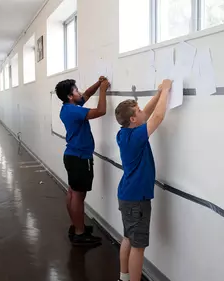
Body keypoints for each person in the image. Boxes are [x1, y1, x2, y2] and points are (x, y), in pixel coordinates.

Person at [114, 79, 172, 281]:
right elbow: (157, 116)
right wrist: (166, 90)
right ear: (132, 120)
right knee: (138, 248)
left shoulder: (124, 134)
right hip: (136, 200)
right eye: (137, 110)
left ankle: (124, 277)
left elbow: (146, 114)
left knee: (128, 239)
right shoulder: (136, 137)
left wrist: (157, 96)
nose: (141, 112)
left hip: (127, 196)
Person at [55, 76, 110, 246]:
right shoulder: (74, 111)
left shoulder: (68, 107)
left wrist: (98, 83)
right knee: (78, 195)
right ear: (71, 96)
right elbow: (101, 111)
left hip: (72, 156)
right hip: (80, 159)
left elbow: (86, 94)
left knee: (72, 192)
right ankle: (80, 233)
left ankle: (76, 226)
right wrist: (103, 90)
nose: (79, 92)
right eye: (76, 90)